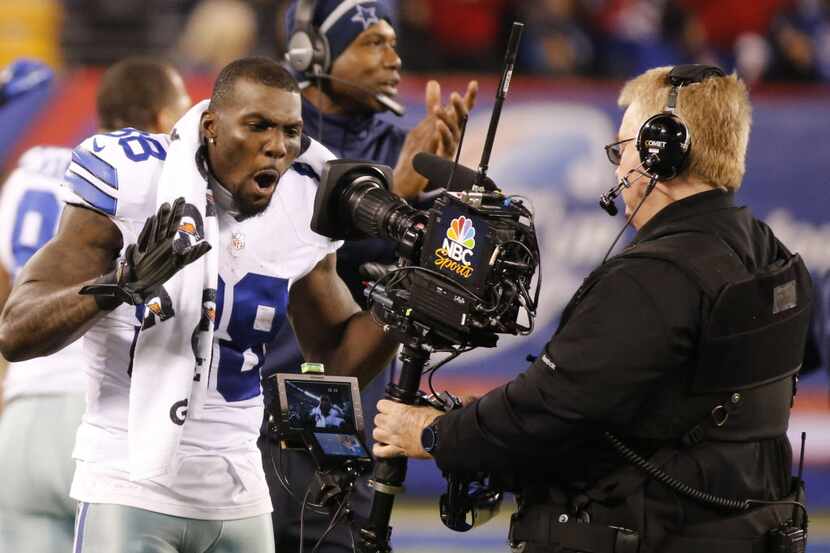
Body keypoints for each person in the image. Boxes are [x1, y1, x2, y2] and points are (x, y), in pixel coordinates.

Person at [372, 65, 814, 553]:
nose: (618, 170)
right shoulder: (773, 255)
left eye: (623, 150)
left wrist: (435, 434)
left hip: (650, 532)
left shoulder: (654, 277)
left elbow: (546, 409)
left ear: (660, 153)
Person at [0, 56, 398, 553]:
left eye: (291, 131)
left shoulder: (301, 201)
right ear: (210, 126)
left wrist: (402, 307)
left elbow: (336, 363)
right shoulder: (137, 178)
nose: (277, 146)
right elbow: (16, 331)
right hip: (129, 486)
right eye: (258, 126)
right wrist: (116, 287)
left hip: (240, 496)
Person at [260, 1, 476, 551]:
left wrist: (435, 197)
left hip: (349, 390)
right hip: (259, 383)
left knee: (336, 536)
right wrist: (395, 193)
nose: (392, 57)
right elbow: (281, 248)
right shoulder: (272, 139)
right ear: (312, 50)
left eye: (394, 42)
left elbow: (425, 270)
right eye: (372, 43)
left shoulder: (400, 144)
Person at [0, 57, 191, 553]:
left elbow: (8, 305)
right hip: (106, 418)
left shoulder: (29, 171)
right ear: (157, 118)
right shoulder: (165, 182)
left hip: (23, 415)